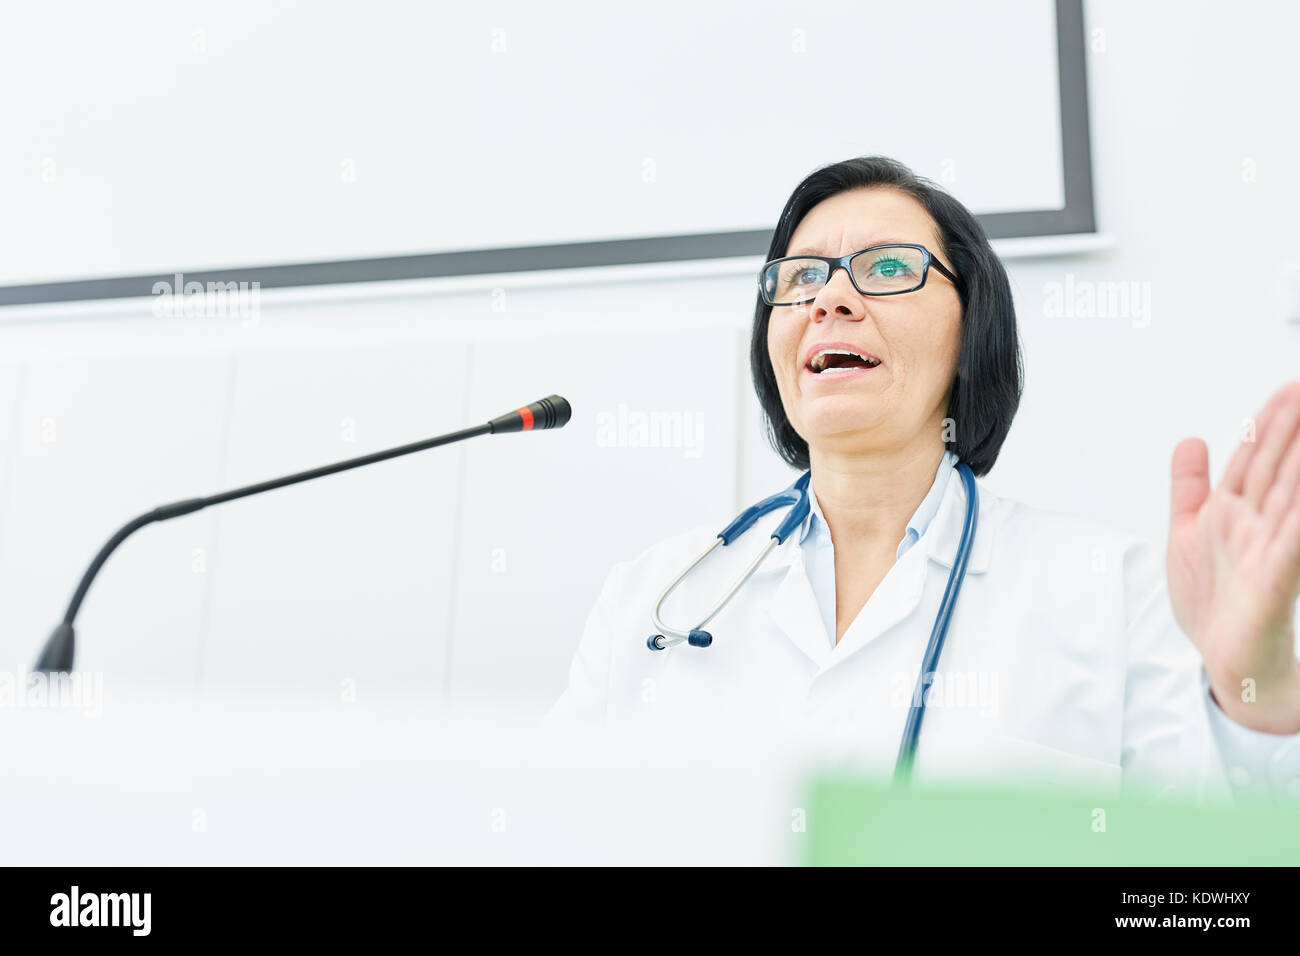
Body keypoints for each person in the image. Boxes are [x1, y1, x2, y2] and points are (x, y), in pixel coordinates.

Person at [547, 156, 1300, 803]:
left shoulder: (1116, 590)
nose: (829, 300)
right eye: (802, 276)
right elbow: (552, 833)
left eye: (888, 269)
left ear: (972, 332)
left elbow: (1213, 882)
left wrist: (1254, 692)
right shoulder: (651, 595)